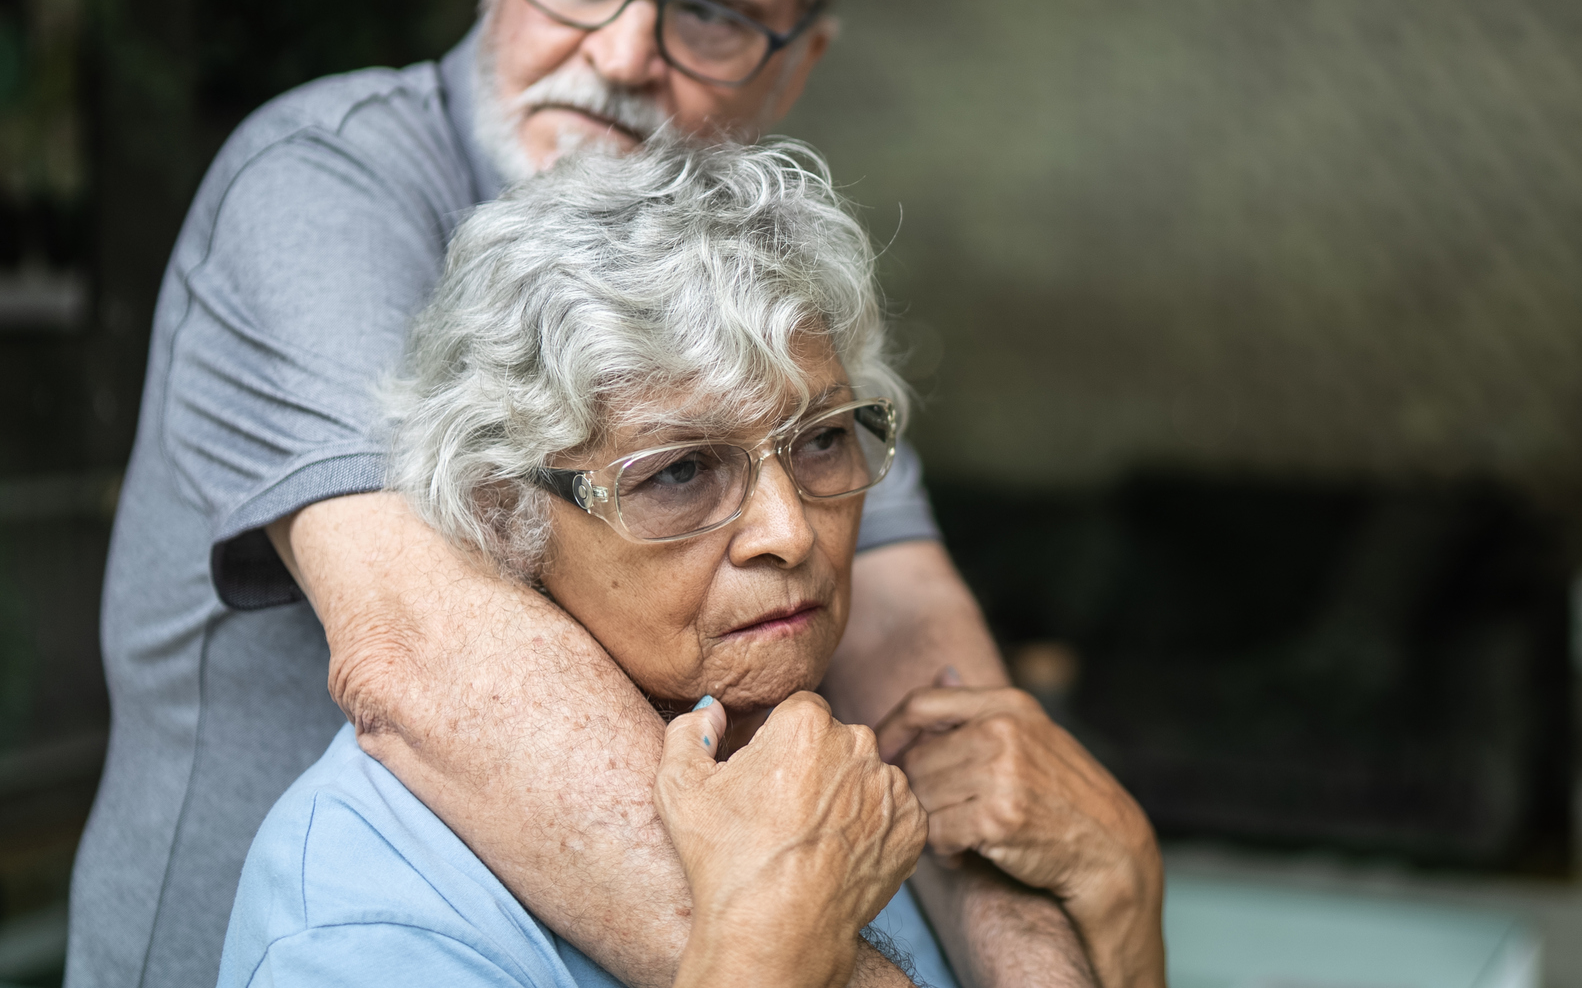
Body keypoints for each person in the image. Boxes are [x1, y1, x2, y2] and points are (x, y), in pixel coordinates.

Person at [71, 0, 1091, 987]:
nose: (619, 53)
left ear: (798, 61)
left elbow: (937, 689)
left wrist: (1049, 949)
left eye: (709, 12)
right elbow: (431, 658)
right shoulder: (320, 185)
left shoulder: (747, 295)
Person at [217, 139, 1164, 988]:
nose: (788, 531)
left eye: (824, 439)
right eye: (679, 471)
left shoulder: (880, 777)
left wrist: (1125, 900)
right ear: (504, 512)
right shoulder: (369, 910)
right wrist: (774, 941)